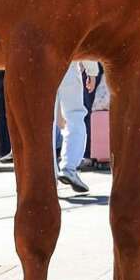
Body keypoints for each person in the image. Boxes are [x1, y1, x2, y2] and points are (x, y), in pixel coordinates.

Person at [53, 60, 98, 193]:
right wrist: (92, 71)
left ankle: (50, 176)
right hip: (67, 64)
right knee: (75, 115)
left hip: (38, 63)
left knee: (46, 123)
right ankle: (69, 167)